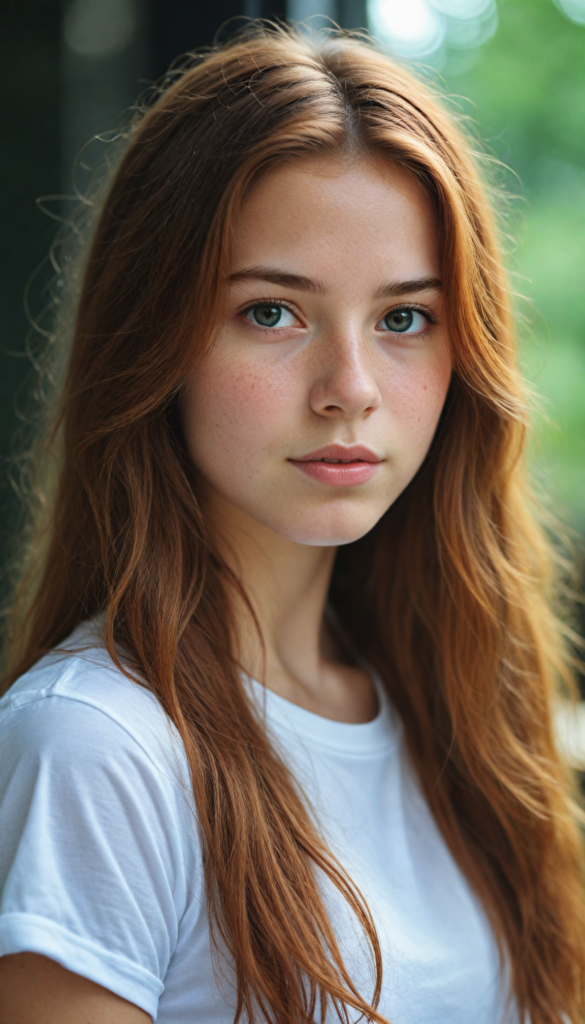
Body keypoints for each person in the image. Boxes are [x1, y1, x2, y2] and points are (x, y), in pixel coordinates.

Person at [0, 22, 583, 1024]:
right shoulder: (98, 745)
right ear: (155, 336)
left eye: (403, 318)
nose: (349, 388)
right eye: (272, 312)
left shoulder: (454, 709)